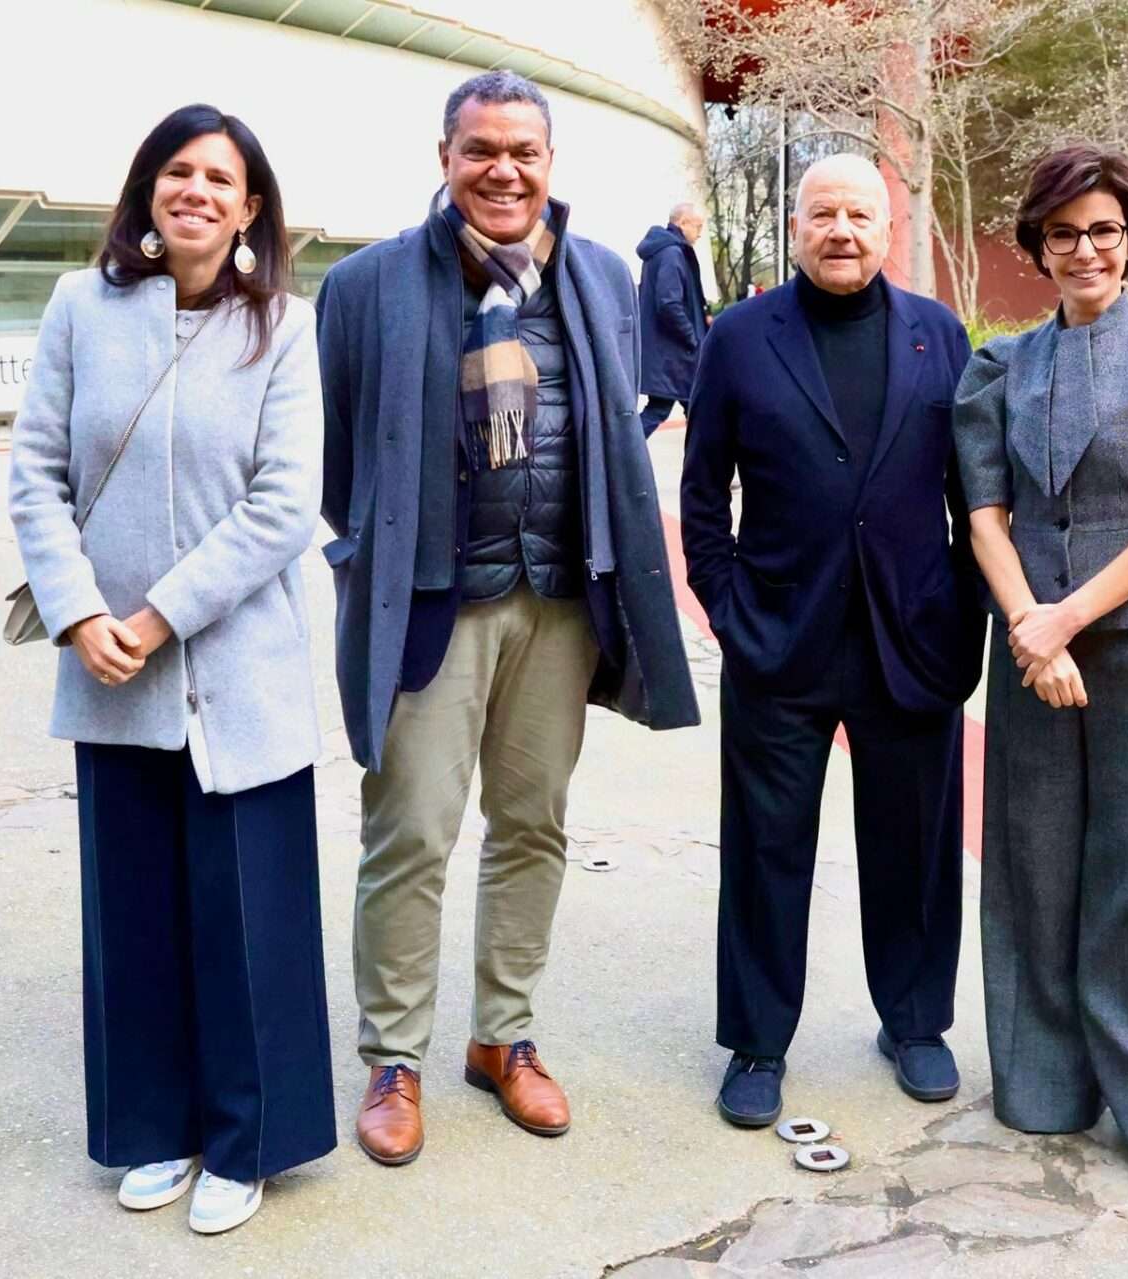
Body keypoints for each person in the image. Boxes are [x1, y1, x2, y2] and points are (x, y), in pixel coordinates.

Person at [316, 71, 699, 1168]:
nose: (504, 171)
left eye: (523, 151)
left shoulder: (597, 274)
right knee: (414, 832)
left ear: (549, 162)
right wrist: (377, 557)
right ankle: (393, 1055)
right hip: (437, 604)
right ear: (445, 157)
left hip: (559, 598)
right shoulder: (370, 285)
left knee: (532, 825)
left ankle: (503, 1036)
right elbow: (344, 465)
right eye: (481, 149)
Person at [7, 104, 333, 1235]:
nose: (195, 191)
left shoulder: (282, 328)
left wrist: (161, 614)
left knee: (247, 917)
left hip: (238, 672)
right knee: (135, 914)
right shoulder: (78, 312)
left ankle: (247, 1142)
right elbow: (36, 476)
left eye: (220, 179)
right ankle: (156, 1128)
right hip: (108, 669)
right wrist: (80, 611)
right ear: (150, 191)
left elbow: (286, 504)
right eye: (177, 172)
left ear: (250, 211)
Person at [952, 144, 1128, 1194]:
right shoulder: (1000, 366)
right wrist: (1030, 625)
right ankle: (1040, 1080)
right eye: (1064, 232)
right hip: (1028, 640)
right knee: (1032, 861)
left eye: (1104, 231)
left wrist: (1067, 618)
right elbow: (982, 513)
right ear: (1037, 243)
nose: (1085, 250)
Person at [681, 154, 985, 1128]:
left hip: (911, 643)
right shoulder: (738, 337)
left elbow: (975, 497)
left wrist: (964, 618)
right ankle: (757, 1043)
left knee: (916, 851)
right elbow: (700, 496)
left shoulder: (940, 336)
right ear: (796, 226)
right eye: (823, 214)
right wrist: (731, 612)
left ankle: (915, 1021)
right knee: (766, 850)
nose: (842, 230)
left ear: (890, 229)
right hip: (781, 641)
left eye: (861, 214)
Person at [636, 202, 709, 435]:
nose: (700, 233)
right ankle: (618, 454)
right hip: (676, 356)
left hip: (667, 356)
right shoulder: (672, 253)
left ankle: (617, 455)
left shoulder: (661, 251)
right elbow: (669, 304)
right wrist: (693, 338)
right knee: (698, 411)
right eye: (698, 226)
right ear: (683, 222)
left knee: (681, 410)